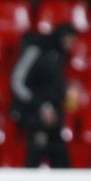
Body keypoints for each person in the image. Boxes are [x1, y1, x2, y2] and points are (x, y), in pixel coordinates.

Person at [11, 23, 75, 168]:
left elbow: (53, 86)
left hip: (54, 119)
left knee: (62, 161)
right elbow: (18, 82)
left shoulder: (60, 56)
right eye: (69, 40)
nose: (71, 45)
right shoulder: (35, 49)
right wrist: (41, 105)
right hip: (33, 116)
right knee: (35, 155)